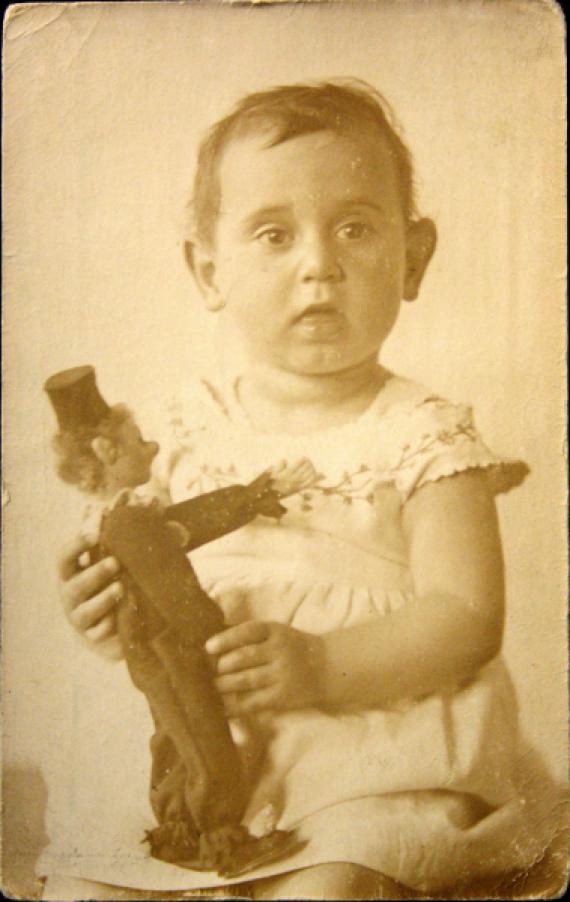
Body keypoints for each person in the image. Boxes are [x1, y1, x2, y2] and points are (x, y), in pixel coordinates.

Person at [48, 80, 558, 900]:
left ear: (414, 256)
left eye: (355, 228)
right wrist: (101, 611)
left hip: (373, 748)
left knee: (333, 882)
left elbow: (468, 616)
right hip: (215, 745)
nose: (320, 265)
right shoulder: (177, 430)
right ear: (208, 269)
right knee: (91, 882)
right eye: (274, 235)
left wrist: (326, 665)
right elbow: (155, 589)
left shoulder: (427, 433)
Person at [44, 365, 315, 878]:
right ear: (107, 452)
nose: (151, 450)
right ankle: (223, 841)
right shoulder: (131, 521)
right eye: (139, 441)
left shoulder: (117, 519)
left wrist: (257, 491)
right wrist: (216, 642)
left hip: (151, 654)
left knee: (173, 739)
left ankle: (177, 830)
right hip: (173, 650)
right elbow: (179, 595)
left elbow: (194, 520)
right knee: (209, 742)